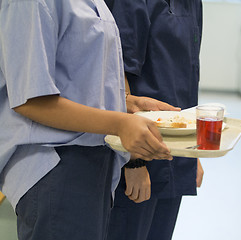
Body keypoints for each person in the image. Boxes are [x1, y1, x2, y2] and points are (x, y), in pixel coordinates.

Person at [0, 0, 179, 239]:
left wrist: (127, 103)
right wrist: (119, 124)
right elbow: (30, 99)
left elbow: (74, 79)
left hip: (93, 160)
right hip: (54, 165)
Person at [104, 0, 204, 239]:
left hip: (175, 154)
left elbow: (186, 77)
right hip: (138, 155)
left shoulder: (192, 4)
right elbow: (118, 77)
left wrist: (192, 151)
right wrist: (134, 162)